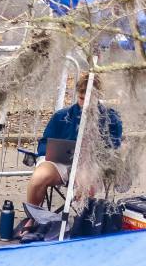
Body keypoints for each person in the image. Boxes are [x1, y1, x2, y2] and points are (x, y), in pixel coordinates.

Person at [27, 75, 124, 216]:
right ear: (77, 95)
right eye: (81, 99)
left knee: (87, 183)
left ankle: (83, 221)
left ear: (99, 96)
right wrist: (50, 152)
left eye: (89, 100)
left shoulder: (111, 118)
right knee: (38, 178)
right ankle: (32, 218)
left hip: (92, 165)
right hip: (60, 162)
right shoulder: (61, 116)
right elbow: (44, 144)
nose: (84, 104)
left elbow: (114, 146)